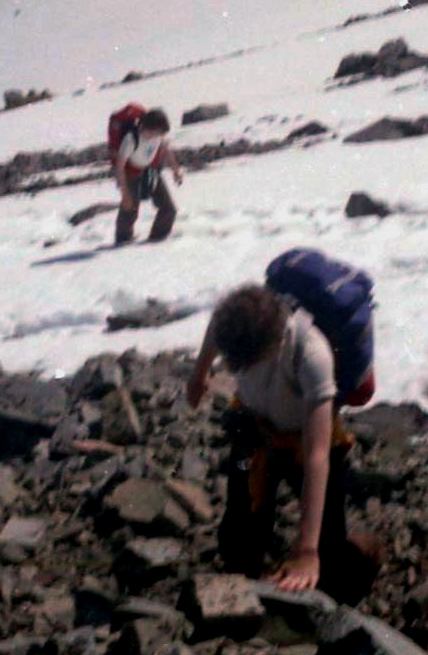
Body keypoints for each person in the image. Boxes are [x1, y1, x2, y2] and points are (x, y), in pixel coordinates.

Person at [187, 282, 376, 601]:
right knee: (237, 540)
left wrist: (306, 551)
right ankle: (250, 567)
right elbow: (216, 328)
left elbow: (318, 456)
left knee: (330, 566)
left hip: (305, 443)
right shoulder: (238, 320)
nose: (237, 369)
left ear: (272, 346)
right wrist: (199, 373)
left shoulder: (310, 353)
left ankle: (366, 550)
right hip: (256, 431)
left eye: (245, 364)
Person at [112, 108, 183, 245]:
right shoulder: (130, 140)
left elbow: (166, 149)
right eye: (157, 132)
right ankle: (122, 241)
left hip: (150, 170)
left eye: (161, 133)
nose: (159, 135)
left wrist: (176, 170)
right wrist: (125, 193)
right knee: (129, 209)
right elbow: (119, 167)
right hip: (130, 173)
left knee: (168, 208)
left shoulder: (158, 136)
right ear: (148, 127)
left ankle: (157, 239)